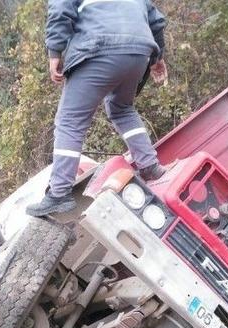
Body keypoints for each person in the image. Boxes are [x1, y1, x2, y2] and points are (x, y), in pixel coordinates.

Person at [26, 0, 169, 217]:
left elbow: (61, 8)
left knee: (70, 121)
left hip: (99, 46)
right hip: (140, 49)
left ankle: (59, 193)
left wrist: (54, 52)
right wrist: (157, 58)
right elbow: (156, 20)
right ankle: (150, 165)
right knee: (122, 108)